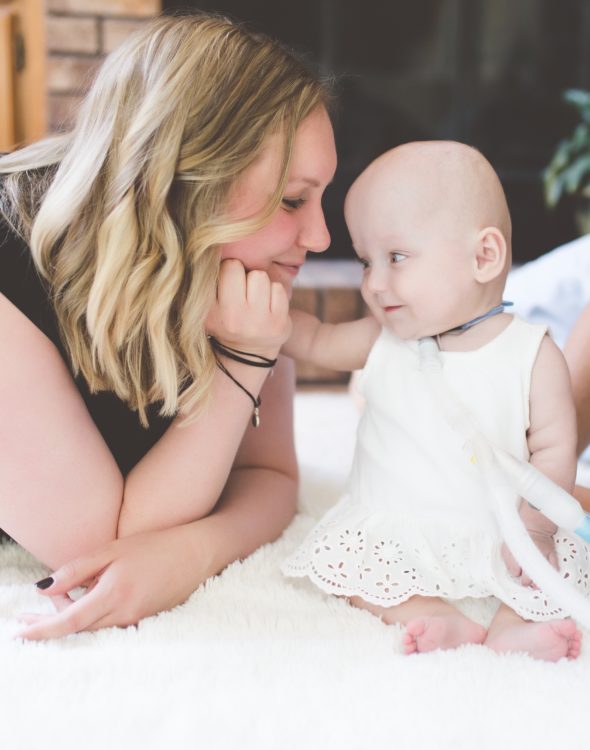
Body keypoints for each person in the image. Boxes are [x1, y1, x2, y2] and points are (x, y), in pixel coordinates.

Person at [0, 12, 337, 639]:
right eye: (292, 200)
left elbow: (270, 475)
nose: (319, 237)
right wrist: (243, 362)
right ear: (184, 181)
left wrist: (196, 552)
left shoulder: (228, 265)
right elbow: (98, 544)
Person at [281, 141, 588, 661]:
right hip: (398, 521)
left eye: (396, 257)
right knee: (350, 567)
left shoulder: (531, 354)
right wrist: (264, 320)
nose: (375, 283)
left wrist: (533, 528)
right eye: (365, 262)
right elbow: (314, 341)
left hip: (501, 524)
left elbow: (556, 448)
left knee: (550, 569)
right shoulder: (385, 341)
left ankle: (515, 627)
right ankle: (434, 613)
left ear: (483, 257)